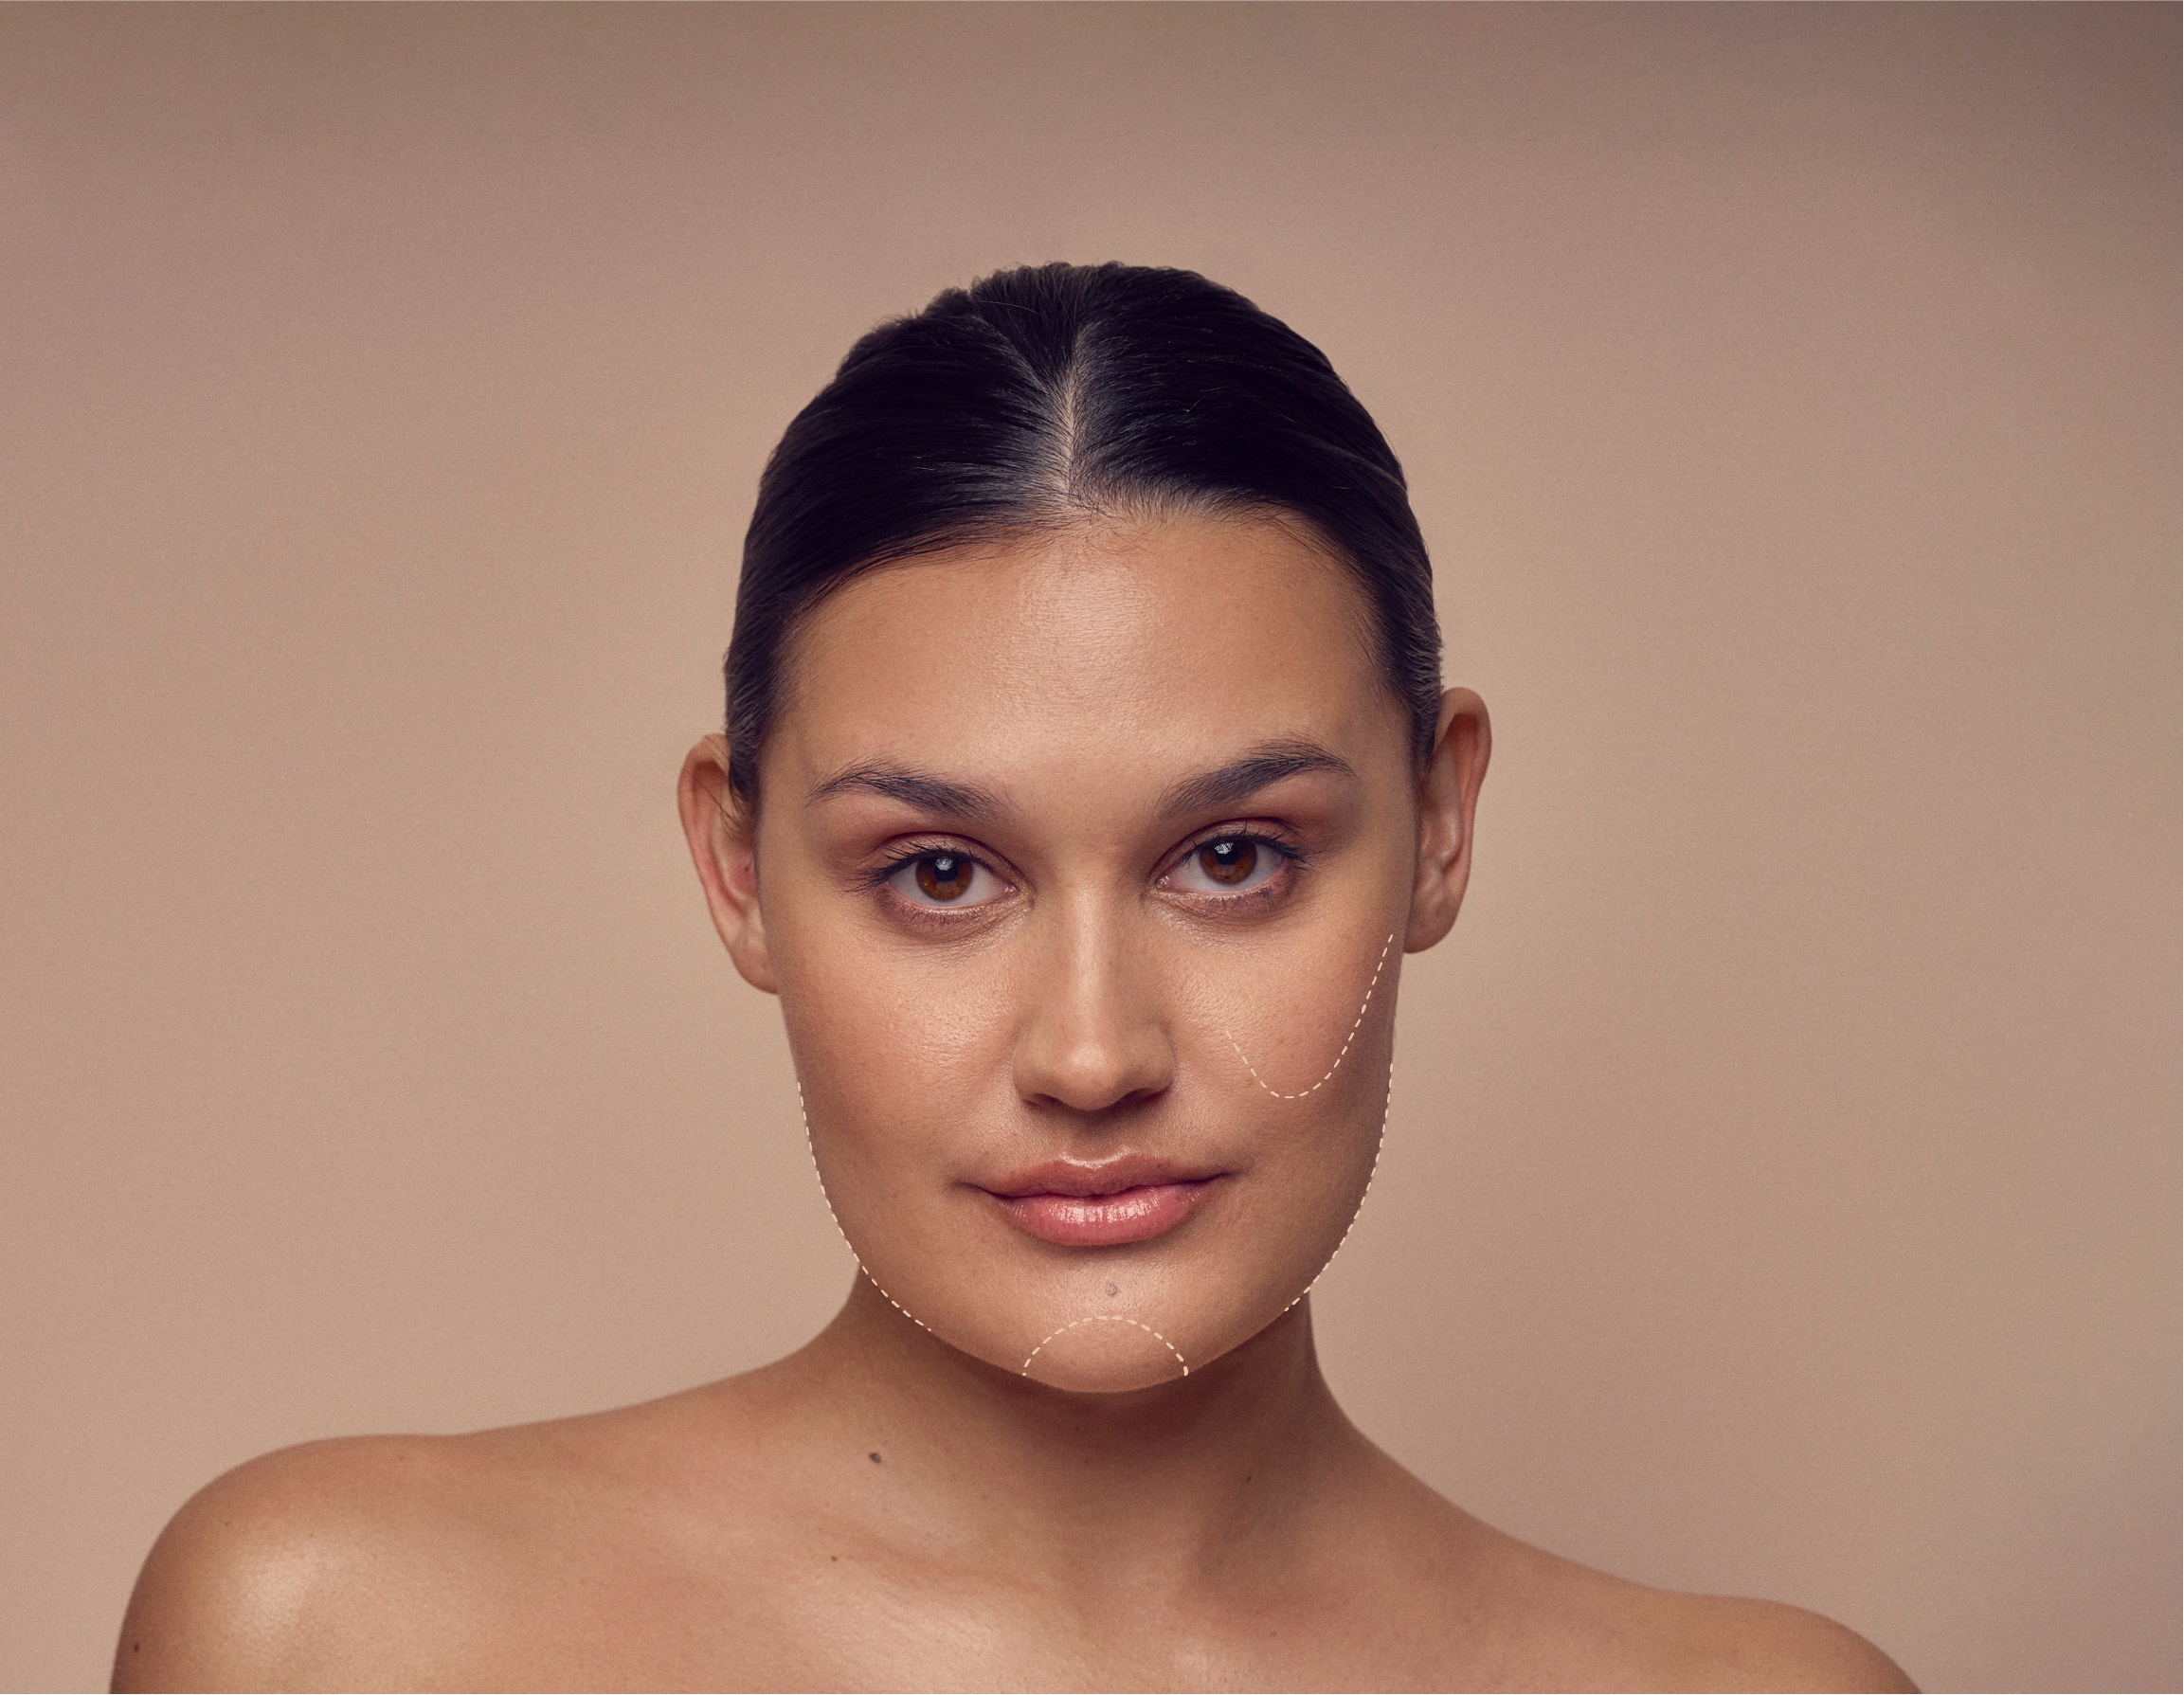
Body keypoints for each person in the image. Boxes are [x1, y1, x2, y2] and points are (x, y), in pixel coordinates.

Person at [114, 263, 1913, 1692]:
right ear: (737, 868)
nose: (1089, 1050)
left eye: (1232, 857)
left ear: (1439, 820)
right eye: (940, 873)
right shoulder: (337, 1635)